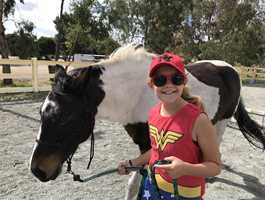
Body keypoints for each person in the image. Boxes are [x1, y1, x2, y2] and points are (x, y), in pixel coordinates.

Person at [118, 52, 221, 200]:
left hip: (183, 195)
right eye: (160, 80)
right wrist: (132, 162)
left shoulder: (199, 120)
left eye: (176, 79)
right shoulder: (153, 113)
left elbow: (215, 166)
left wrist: (186, 168)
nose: (169, 85)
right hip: (152, 187)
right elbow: (156, 150)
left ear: (184, 81)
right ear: (151, 84)